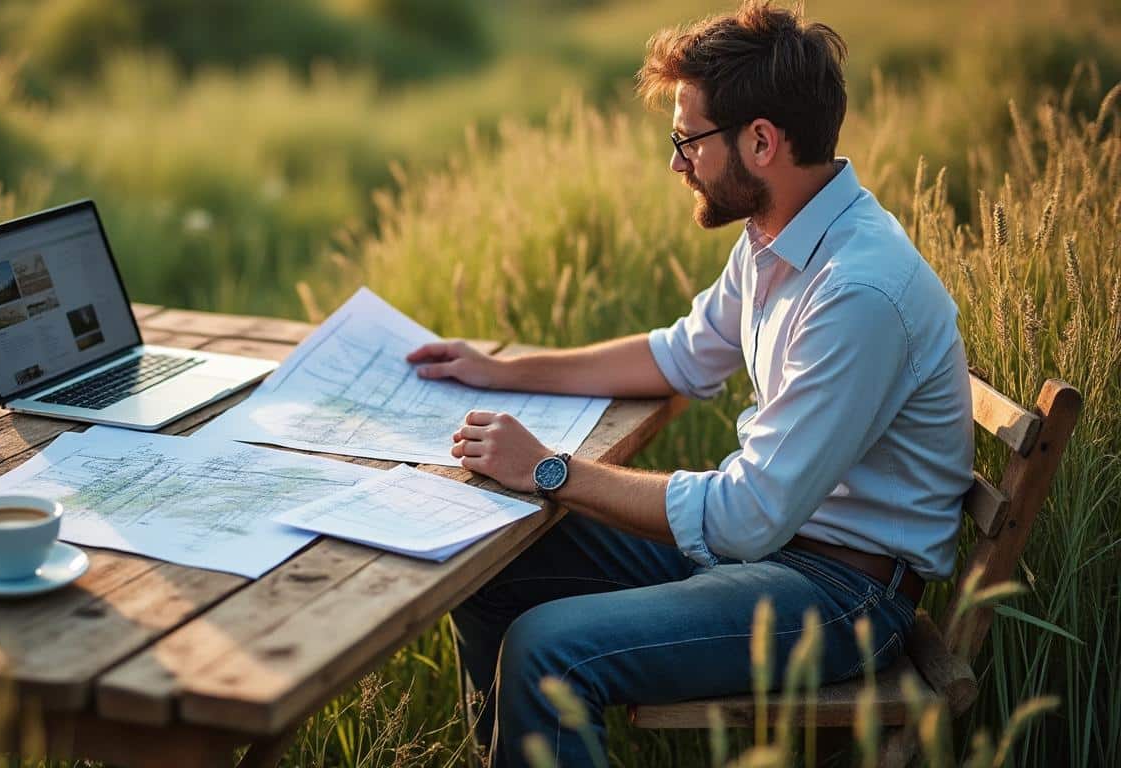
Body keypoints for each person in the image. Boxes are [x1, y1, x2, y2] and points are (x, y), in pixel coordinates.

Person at [404, 2, 974, 765]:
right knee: (488, 559)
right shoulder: (779, 235)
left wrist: (550, 470)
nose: (677, 163)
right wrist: (504, 369)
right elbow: (679, 355)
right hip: (778, 557)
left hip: (843, 596)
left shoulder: (858, 293)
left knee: (548, 647)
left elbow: (745, 518)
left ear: (762, 141)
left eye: (688, 141)